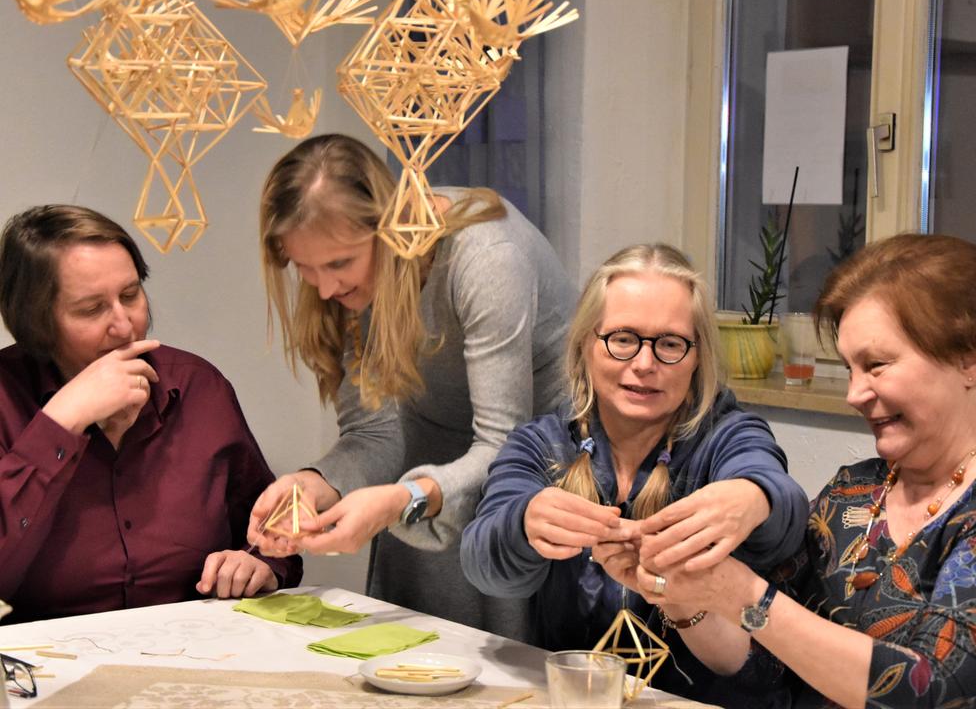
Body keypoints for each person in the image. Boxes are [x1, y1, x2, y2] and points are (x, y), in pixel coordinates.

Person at [637, 234, 976, 708]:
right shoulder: (853, 492)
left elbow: (945, 690)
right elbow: (763, 662)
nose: (854, 393)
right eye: (849, 368)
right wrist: (680, 593)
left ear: (970, 356)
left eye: (876, 365)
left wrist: (743, 594)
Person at [248, 134, 574, 640]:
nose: (327, 289)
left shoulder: (486, 256)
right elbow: (376, 433)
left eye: (338, 264)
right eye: (305, 270)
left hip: (535, 481)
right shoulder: (344, 286)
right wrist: (317, 484)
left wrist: (401, 500)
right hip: (426, 481)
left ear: (389, 227)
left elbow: (504, 449)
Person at [460, 243, 809, 706]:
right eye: (623, 338)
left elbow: (784, 507)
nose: (644, 364)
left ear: (697, 357)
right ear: (587, 343)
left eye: (669, 344)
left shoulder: (725, 435)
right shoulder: (543, 443)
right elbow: (483, 564)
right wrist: (523, 523)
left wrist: (754, 496)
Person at [0, 205, 301, 624]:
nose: (124, 326)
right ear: (36, 323)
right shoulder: (5, 399)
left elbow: (273, 529)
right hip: (43, 662)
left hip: (196, 648)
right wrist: (62, 422)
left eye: (130, 295)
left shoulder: (199, 387)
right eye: (90, 309)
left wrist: (260, 563)